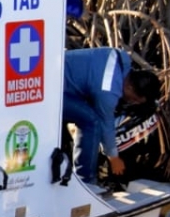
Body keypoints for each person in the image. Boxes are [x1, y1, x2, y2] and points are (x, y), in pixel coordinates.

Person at [62, 47, 161, 184]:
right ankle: (85, 182)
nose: (134, 103)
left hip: (61, 73)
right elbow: (106, 125)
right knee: (92, 121)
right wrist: (114, 158)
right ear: (130, 87)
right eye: (135, 99)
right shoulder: (108, 92)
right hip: (51, 90)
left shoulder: (122, 58)